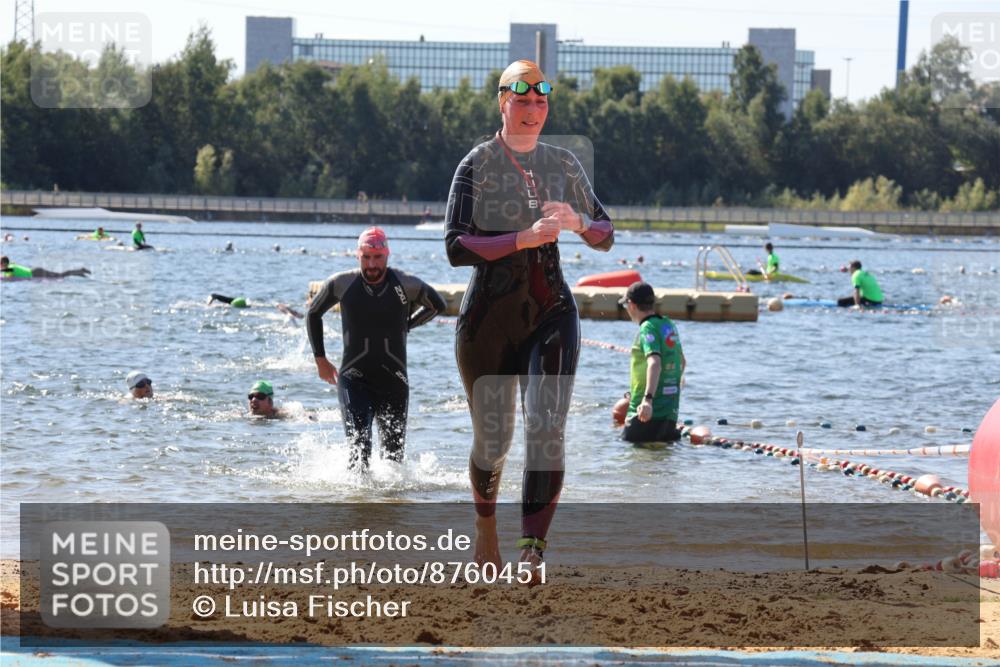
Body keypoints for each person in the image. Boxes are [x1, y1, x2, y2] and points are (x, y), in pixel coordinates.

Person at [444, 59, 614, 579]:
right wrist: (520, 239)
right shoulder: (477, 163)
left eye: (541, 102)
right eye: (523, 100)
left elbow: (606, 234)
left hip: (550, 311)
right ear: (503, 103)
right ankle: (486, 533)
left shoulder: (563, 163)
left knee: (546, 427)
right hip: (487, 319)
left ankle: (533, 551)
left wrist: (579, 221)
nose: (533, 110)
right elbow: (455, 247)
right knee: (492, 443)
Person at [308, 227, 446, 470]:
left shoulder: (406, 283)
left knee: (394, 464)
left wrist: (407, 324)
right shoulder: (342, 283)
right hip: (353, 379)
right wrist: (320, 359)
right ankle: (358, 507)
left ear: (387, 255)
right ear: (357, 256)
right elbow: (313, 313)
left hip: (394, 380)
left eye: (377, 257)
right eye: (366, 257)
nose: (372, 264)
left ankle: (388, 507)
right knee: (359, 453)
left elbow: (437, 305)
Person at [618, 282, 685, 444]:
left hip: (644, 414)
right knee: (659, 462)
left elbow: (654, 362)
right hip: (669, 415)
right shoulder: (668, 325)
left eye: (626, 305)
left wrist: (647, 399)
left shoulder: (647, 328)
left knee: (631, 459)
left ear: (632, 305)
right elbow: (682, 361)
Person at [207, 294, 304, 318]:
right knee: (275, 306)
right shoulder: (231, 301)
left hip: (251, 306)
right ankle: (296, 314)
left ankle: (291, 313)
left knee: (276, 306)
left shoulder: (230, 301)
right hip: (250, 304)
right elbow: (214, 295)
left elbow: (214, 295)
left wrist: (208, 304)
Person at [1, 255, 90, 279]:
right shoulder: (11, 266)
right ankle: (79, 272)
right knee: (60, 275)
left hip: (35, 273)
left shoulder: (10, 268)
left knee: (60, 275)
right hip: (35, 271)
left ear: (4, 264)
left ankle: (80, 271)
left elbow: (9, 277)